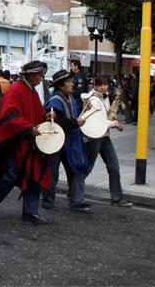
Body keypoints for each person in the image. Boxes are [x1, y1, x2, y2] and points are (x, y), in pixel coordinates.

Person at [0, 61, 53, 224]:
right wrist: (27, 127)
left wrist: (44, 117)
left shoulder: (32, 91)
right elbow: (9, 115)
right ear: (31, 75)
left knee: (33, 174)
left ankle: (30, 212)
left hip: (31, 142)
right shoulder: (16, 90)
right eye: (40, 75)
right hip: (16, 141)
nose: (42, 78)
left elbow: (36, 113)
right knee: (13, 174)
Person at [82, 75, 133, 207]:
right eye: (101, 85)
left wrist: (113, 118)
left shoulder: (105, 97)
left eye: (106, 85)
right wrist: (114, 124)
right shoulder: (92, 100)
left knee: (114, 166)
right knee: (87, 167)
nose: (104, 87)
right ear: (95, 86)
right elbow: (97, 121)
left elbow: (106, 117)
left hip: (104, 136)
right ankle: (75, 192)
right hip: (94, 138)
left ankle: (116, 198)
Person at [43, 70, 90, 212]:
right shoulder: (54, 102)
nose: (72, 84)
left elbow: (74, 115)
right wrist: (75, 123)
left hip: (70, 141)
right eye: (69, 82)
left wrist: (85, 108)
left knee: (74, 170)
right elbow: (57, 124)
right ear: (61, 86)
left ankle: (76, 200)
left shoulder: (70, 98)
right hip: (56, 142)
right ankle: (47, 201)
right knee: (53, 173)